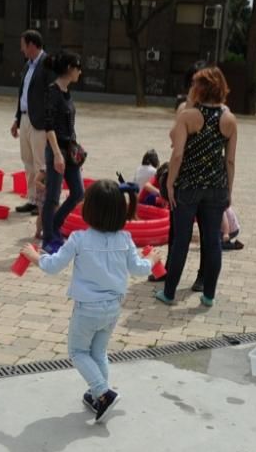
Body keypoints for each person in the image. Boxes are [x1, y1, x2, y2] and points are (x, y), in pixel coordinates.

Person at [21, 180, 157, 423]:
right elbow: (138, 269)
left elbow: (53, 267)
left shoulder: (79, 239)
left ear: (89, 211)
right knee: (98, 351)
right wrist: (153, 260)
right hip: (113, 308)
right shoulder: (125, 238)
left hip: (87, 310)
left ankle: (103, 393)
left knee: (78, 351)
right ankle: (98, 396)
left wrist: (34, 257)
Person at [154, 66, 237, 307]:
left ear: (200, 88)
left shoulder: (187, 116)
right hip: (216, 187)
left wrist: (170, 183)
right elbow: (230, 160)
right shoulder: (229, 119)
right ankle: (209, 295)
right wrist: (228, 191)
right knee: (212, 241)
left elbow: (177, 155)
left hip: (188, 185)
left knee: (181, 239)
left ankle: (169, 293)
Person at [40, 51, 85, 254]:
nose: (80, 72)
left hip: (70, 150)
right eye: (78, 67)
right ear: (69, 68)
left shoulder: (67, 92)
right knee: (53, 197)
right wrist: (57, 154)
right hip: (57, 149)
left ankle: (55, 225)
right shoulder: (52, 91)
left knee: (78, 192)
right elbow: (48, 126)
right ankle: (48, 238)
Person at [11, 29, 52, 215]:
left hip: (40, 122)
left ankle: (43, 202)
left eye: (23, 46)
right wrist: (17, 119)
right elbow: (23, 94)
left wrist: (49, 121)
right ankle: (32, 199)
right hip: (25, 118)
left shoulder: (47, 65)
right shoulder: (28, 66)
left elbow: (52, 95)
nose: (21, 50)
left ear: (32, 45)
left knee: (40, 163)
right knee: (27, 161)